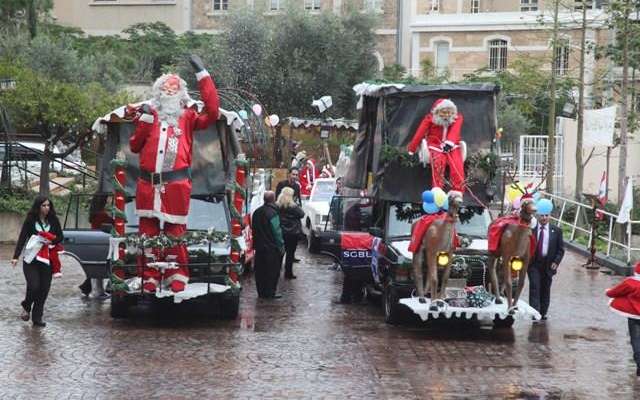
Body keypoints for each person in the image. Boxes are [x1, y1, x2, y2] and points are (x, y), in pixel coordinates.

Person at [127, 54, 219, 294]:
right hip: (147, 185)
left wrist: (203, 75)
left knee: (174, 232)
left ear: (181, 92)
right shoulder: (149, 115)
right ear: (158, 91)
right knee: (147, 233)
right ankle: (149, 275)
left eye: (175, 86)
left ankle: (176, 273)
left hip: (176, 184)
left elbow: (213, 112)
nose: (170, 88)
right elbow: (135, 146)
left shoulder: (188, 116)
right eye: (166, 86)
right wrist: (145, 120)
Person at [11, 196, 64, 327]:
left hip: (47, 259)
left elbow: (60, 236)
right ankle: (26, 305)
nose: (47, 208)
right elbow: (22, 237)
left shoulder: (53, 220)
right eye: (44, 205)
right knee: (34, 286)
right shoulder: (30, 220)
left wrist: (52, 241)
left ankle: (37, 317)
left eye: (48, 205)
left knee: (44, 289)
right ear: (38, 207)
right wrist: (15, 256)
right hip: (31, 259)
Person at [406, 98, 465, 192]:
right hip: (435, 145)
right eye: (444, 112)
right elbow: (420, 133)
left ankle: (457, 191)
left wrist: (449, 143)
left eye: (449, 112)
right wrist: (412, 148)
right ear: (437, 111)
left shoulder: (457, 118)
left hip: (453, 146)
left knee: (457, 163)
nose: (446, 115)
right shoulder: (430, 119)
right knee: (438, 161)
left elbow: (455, 130)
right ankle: (437, 189)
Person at [527, 204, 564, 321]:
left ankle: (543, 313)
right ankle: (535, 313)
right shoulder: (531, 231)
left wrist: (556, 262)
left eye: (546, 215)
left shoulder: (556, 231)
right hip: (534, 264)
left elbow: (560, 249)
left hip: (548, 265)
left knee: (545, 289)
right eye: (542, 215)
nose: (544, 218)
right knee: (534, 287)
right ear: (538, 216)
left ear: (550, 216)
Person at [605, 262, 640, 378]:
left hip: (634, 317)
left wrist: (607, 291)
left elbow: (614, 292)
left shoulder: (631, 283)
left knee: (636, 342)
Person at [252, 191, 285, 298]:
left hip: (259, 247)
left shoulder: (257, 212)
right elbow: (277, 231)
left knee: (260, 271)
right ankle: (270, 292)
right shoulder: (273, 213)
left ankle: (261, 292)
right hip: (271, 248)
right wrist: (281, 246)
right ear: (273, 199)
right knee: (272, 272)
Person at [277, 187, 305, 279]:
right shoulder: (293, 206)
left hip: (281, 231)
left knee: (280, 253)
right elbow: (302, 214)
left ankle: (277, 271)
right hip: (293, 233)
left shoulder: (277, 205)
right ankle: (288, 273)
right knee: (290, 254)